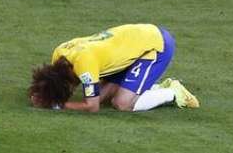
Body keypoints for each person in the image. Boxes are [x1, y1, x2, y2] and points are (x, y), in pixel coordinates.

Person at [29, 23, 199, 113]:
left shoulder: (85, 66)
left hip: (155, 45)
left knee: (121, 103)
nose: (74, 89)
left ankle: (174, 92)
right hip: (131, 44)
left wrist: (56, 104)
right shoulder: (59, 53)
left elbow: (92, 107)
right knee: (103, 96)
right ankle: (148, 87)